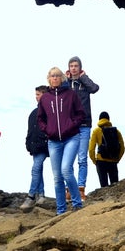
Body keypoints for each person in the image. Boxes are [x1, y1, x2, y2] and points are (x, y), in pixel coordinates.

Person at [38, 67, 85, 215]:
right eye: (52, 76)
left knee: (66, 169)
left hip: (71, 137)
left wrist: (71, 124)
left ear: (62, 78)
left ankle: (77, 203)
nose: (55, 78)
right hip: (53, 141)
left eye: (58, 75)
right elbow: (40, 118)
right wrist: (48, 130)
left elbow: (81, 114)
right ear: (49, 79)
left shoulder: (71, 94)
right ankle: (61, 210)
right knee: (57, 177)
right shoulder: (45, 98)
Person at [66, 56, 99, 201]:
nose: (73, 68)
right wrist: (67, 81)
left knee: (82, 158)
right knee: (69, 159)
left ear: (80, 68)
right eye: (71, 66)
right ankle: (70, 189)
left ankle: (80, 189)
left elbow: (95, 88)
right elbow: (58, 94)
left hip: (84, 124)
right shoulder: (66, 83)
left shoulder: (85, 82)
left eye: (76, 66)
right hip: (70, 125)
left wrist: (83, 77)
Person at [20, 85, 49, 211]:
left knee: (36, 168)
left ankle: (31, 196)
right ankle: (41, 195)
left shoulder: (50, 111)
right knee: (38, 169)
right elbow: (30, 130)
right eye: (36, 94)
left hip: (45, 145)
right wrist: (28, 143)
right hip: (35, 146)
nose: (36, 97)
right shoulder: (33, 113)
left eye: (38, 94)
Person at [89, 111, 125, 188]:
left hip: (101, 162)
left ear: (99, 120)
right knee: (115, 187)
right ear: (108, 119)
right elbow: (123, 148)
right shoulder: (116, 131)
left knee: (104, 187)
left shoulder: (96, 131)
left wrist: (95, 161)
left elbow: (91, 149)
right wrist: (117, 159)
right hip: (113, 161)